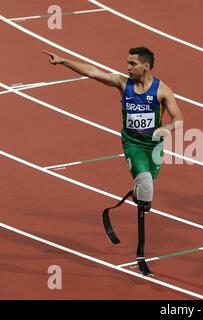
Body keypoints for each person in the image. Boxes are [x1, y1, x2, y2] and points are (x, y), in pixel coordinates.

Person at [43, 47, 183, 273]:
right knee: (146, 184)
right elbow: (93, 72)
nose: (127, 67)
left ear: (145, 66)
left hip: (154, 147)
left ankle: (140, 191)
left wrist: (165, 129)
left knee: (147, 188)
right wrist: (64, 61)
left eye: (132, 64)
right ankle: (141, 190)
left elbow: (179, 119)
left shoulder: (162, 91)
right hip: (133, 144)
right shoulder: (122, 83)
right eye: (127, 63)